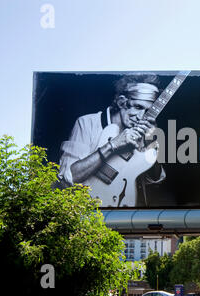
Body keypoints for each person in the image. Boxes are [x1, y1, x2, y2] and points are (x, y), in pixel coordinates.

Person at [57, 74, 165, 206]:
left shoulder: (145, 133)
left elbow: (155, 181)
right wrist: (112, 145)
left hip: (123, 212)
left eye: (147, 110)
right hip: (84, 210)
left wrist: (151, 144)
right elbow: (67, 179)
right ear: (121, 102)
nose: (141, 117)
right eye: (137, 107)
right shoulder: (87, 123)